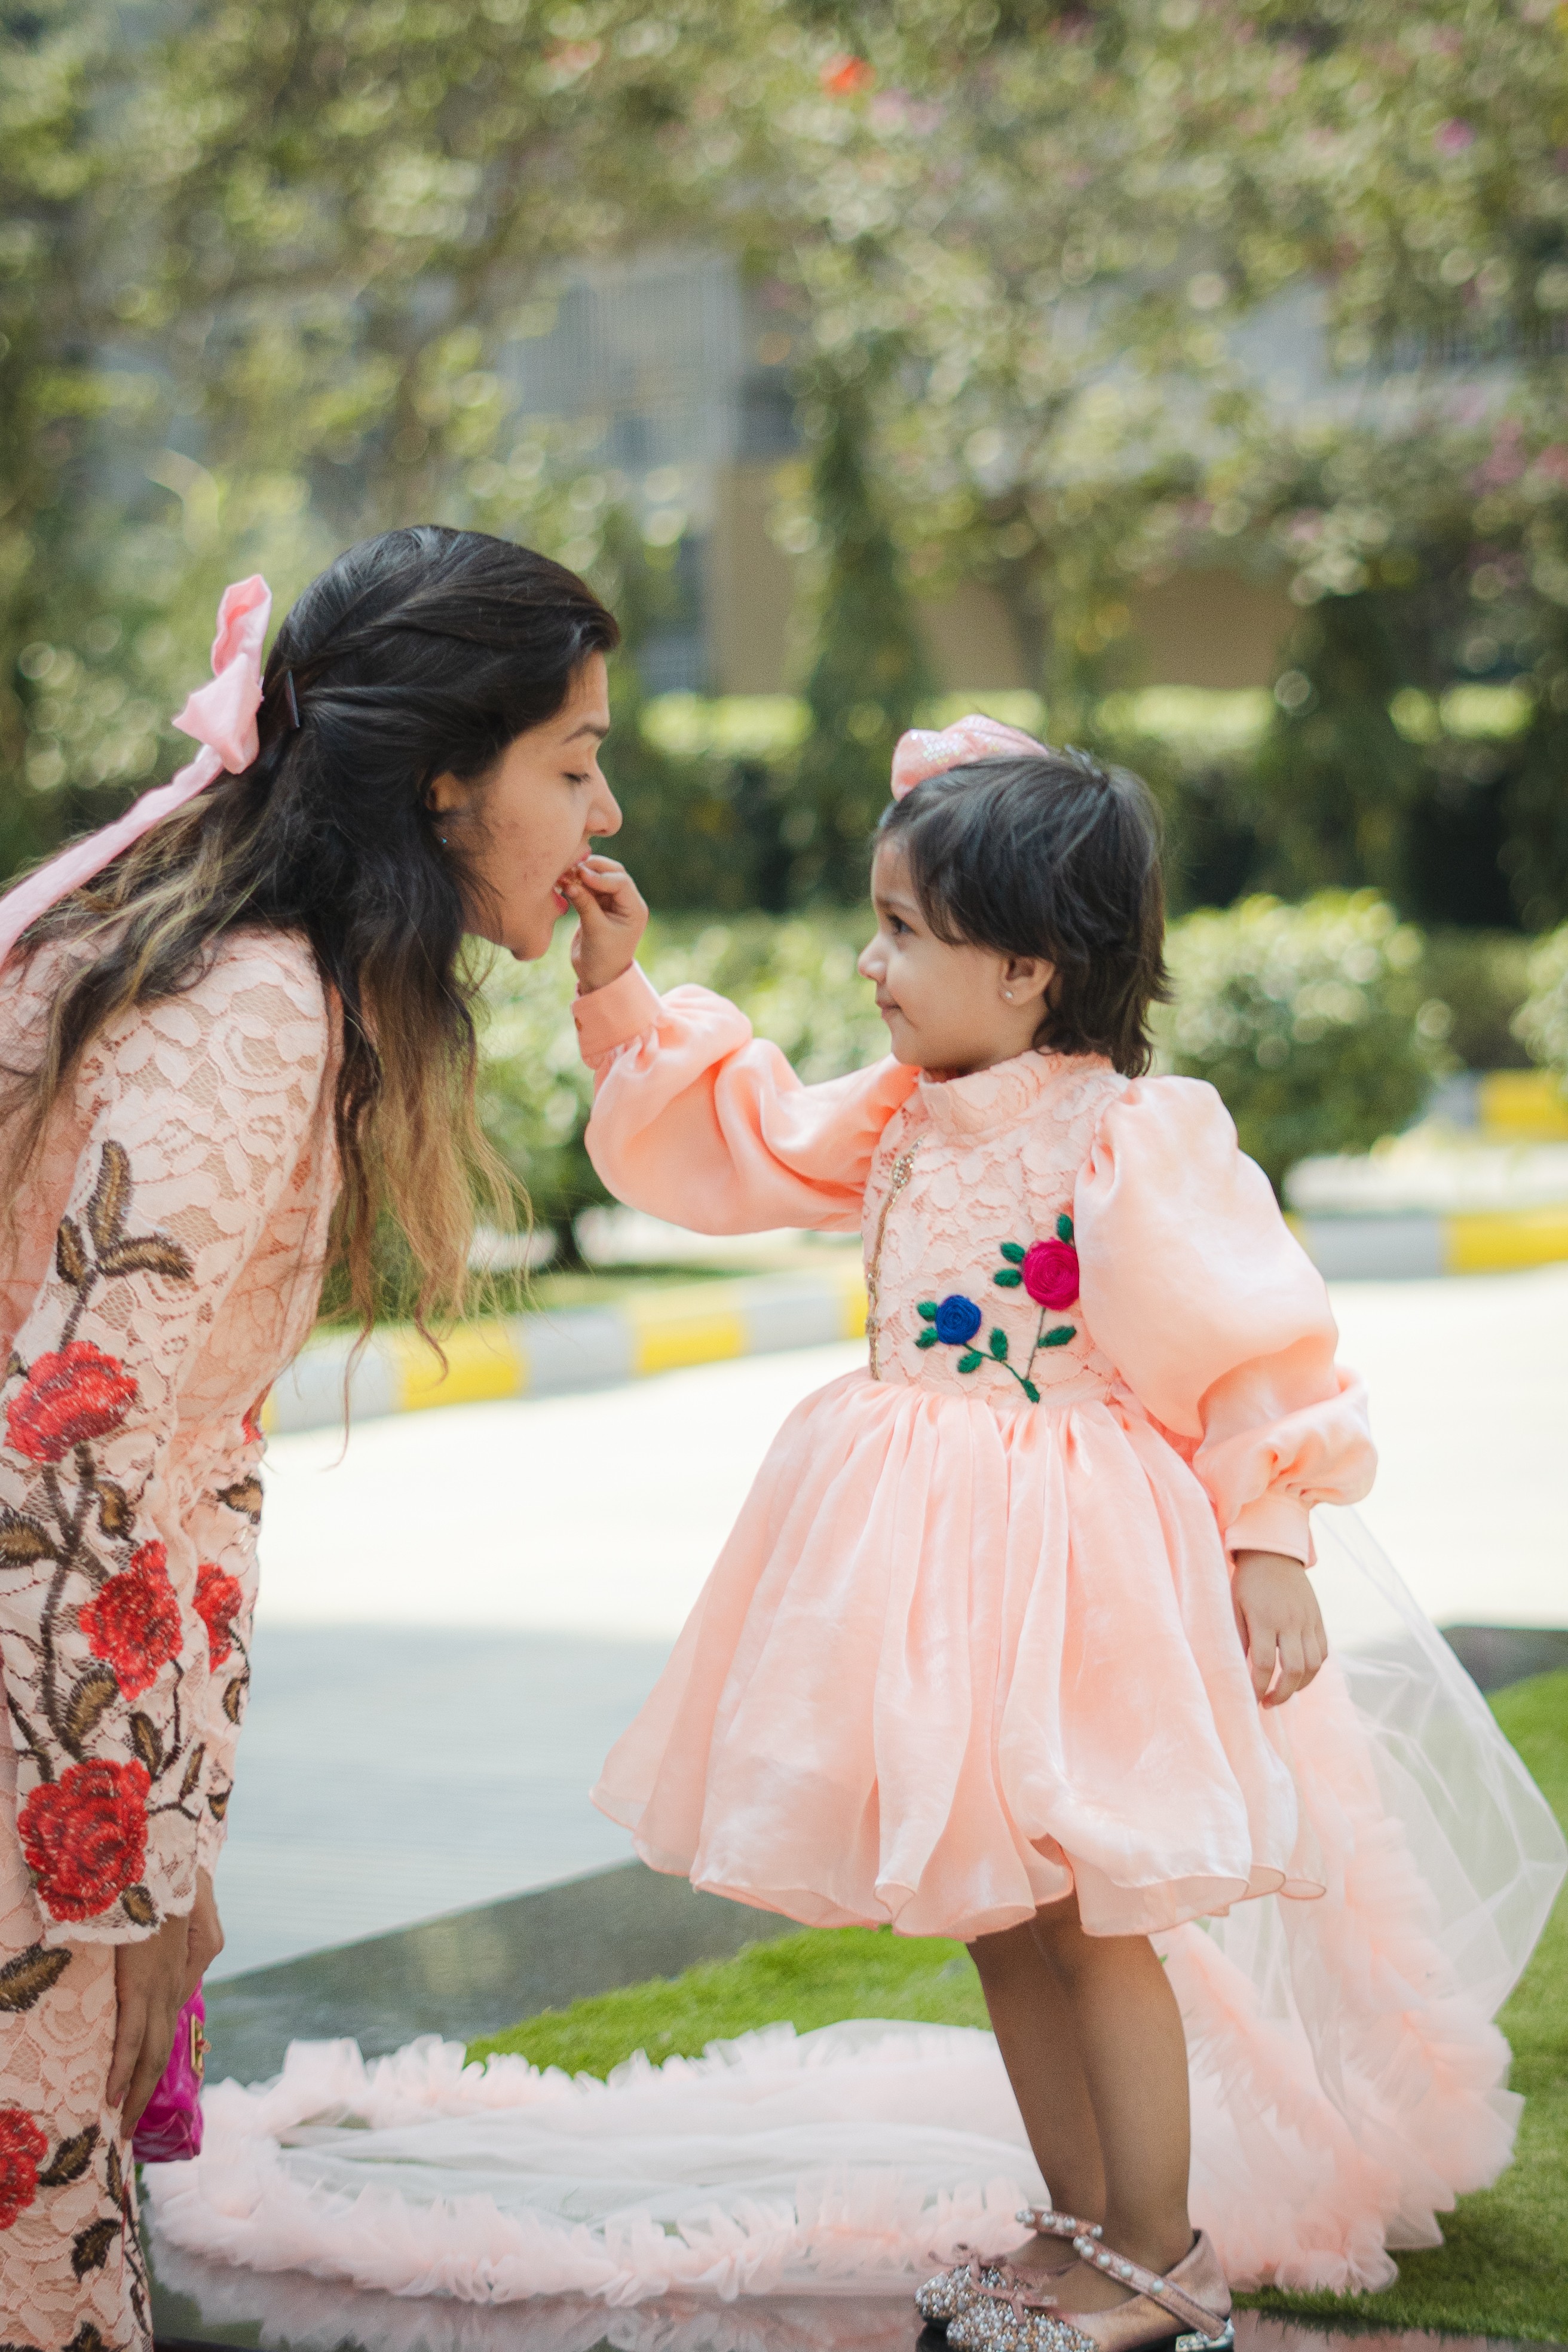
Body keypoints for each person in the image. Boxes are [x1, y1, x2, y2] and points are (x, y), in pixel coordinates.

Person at [555, 715, 1563, 2348]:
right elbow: (735, 1149)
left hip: (1074, 1572)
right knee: (1003, 1919)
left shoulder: (1122, 1135)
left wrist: (1273, 1539)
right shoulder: (894, 1112)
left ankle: (1163, 2253)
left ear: (1029, 972)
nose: (871, 961)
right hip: (924, 1576)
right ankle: (1086, 2222)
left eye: (903, 929)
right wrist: (618, 988)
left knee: (1099, 1922)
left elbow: (1247, 1346)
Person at [0, 523, 620, 2351]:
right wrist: (110, 1894)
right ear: (443, 779)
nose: (603, 819)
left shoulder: (267, 971)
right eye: (574, 767)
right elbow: (61, 1456)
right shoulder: (253, 1007)